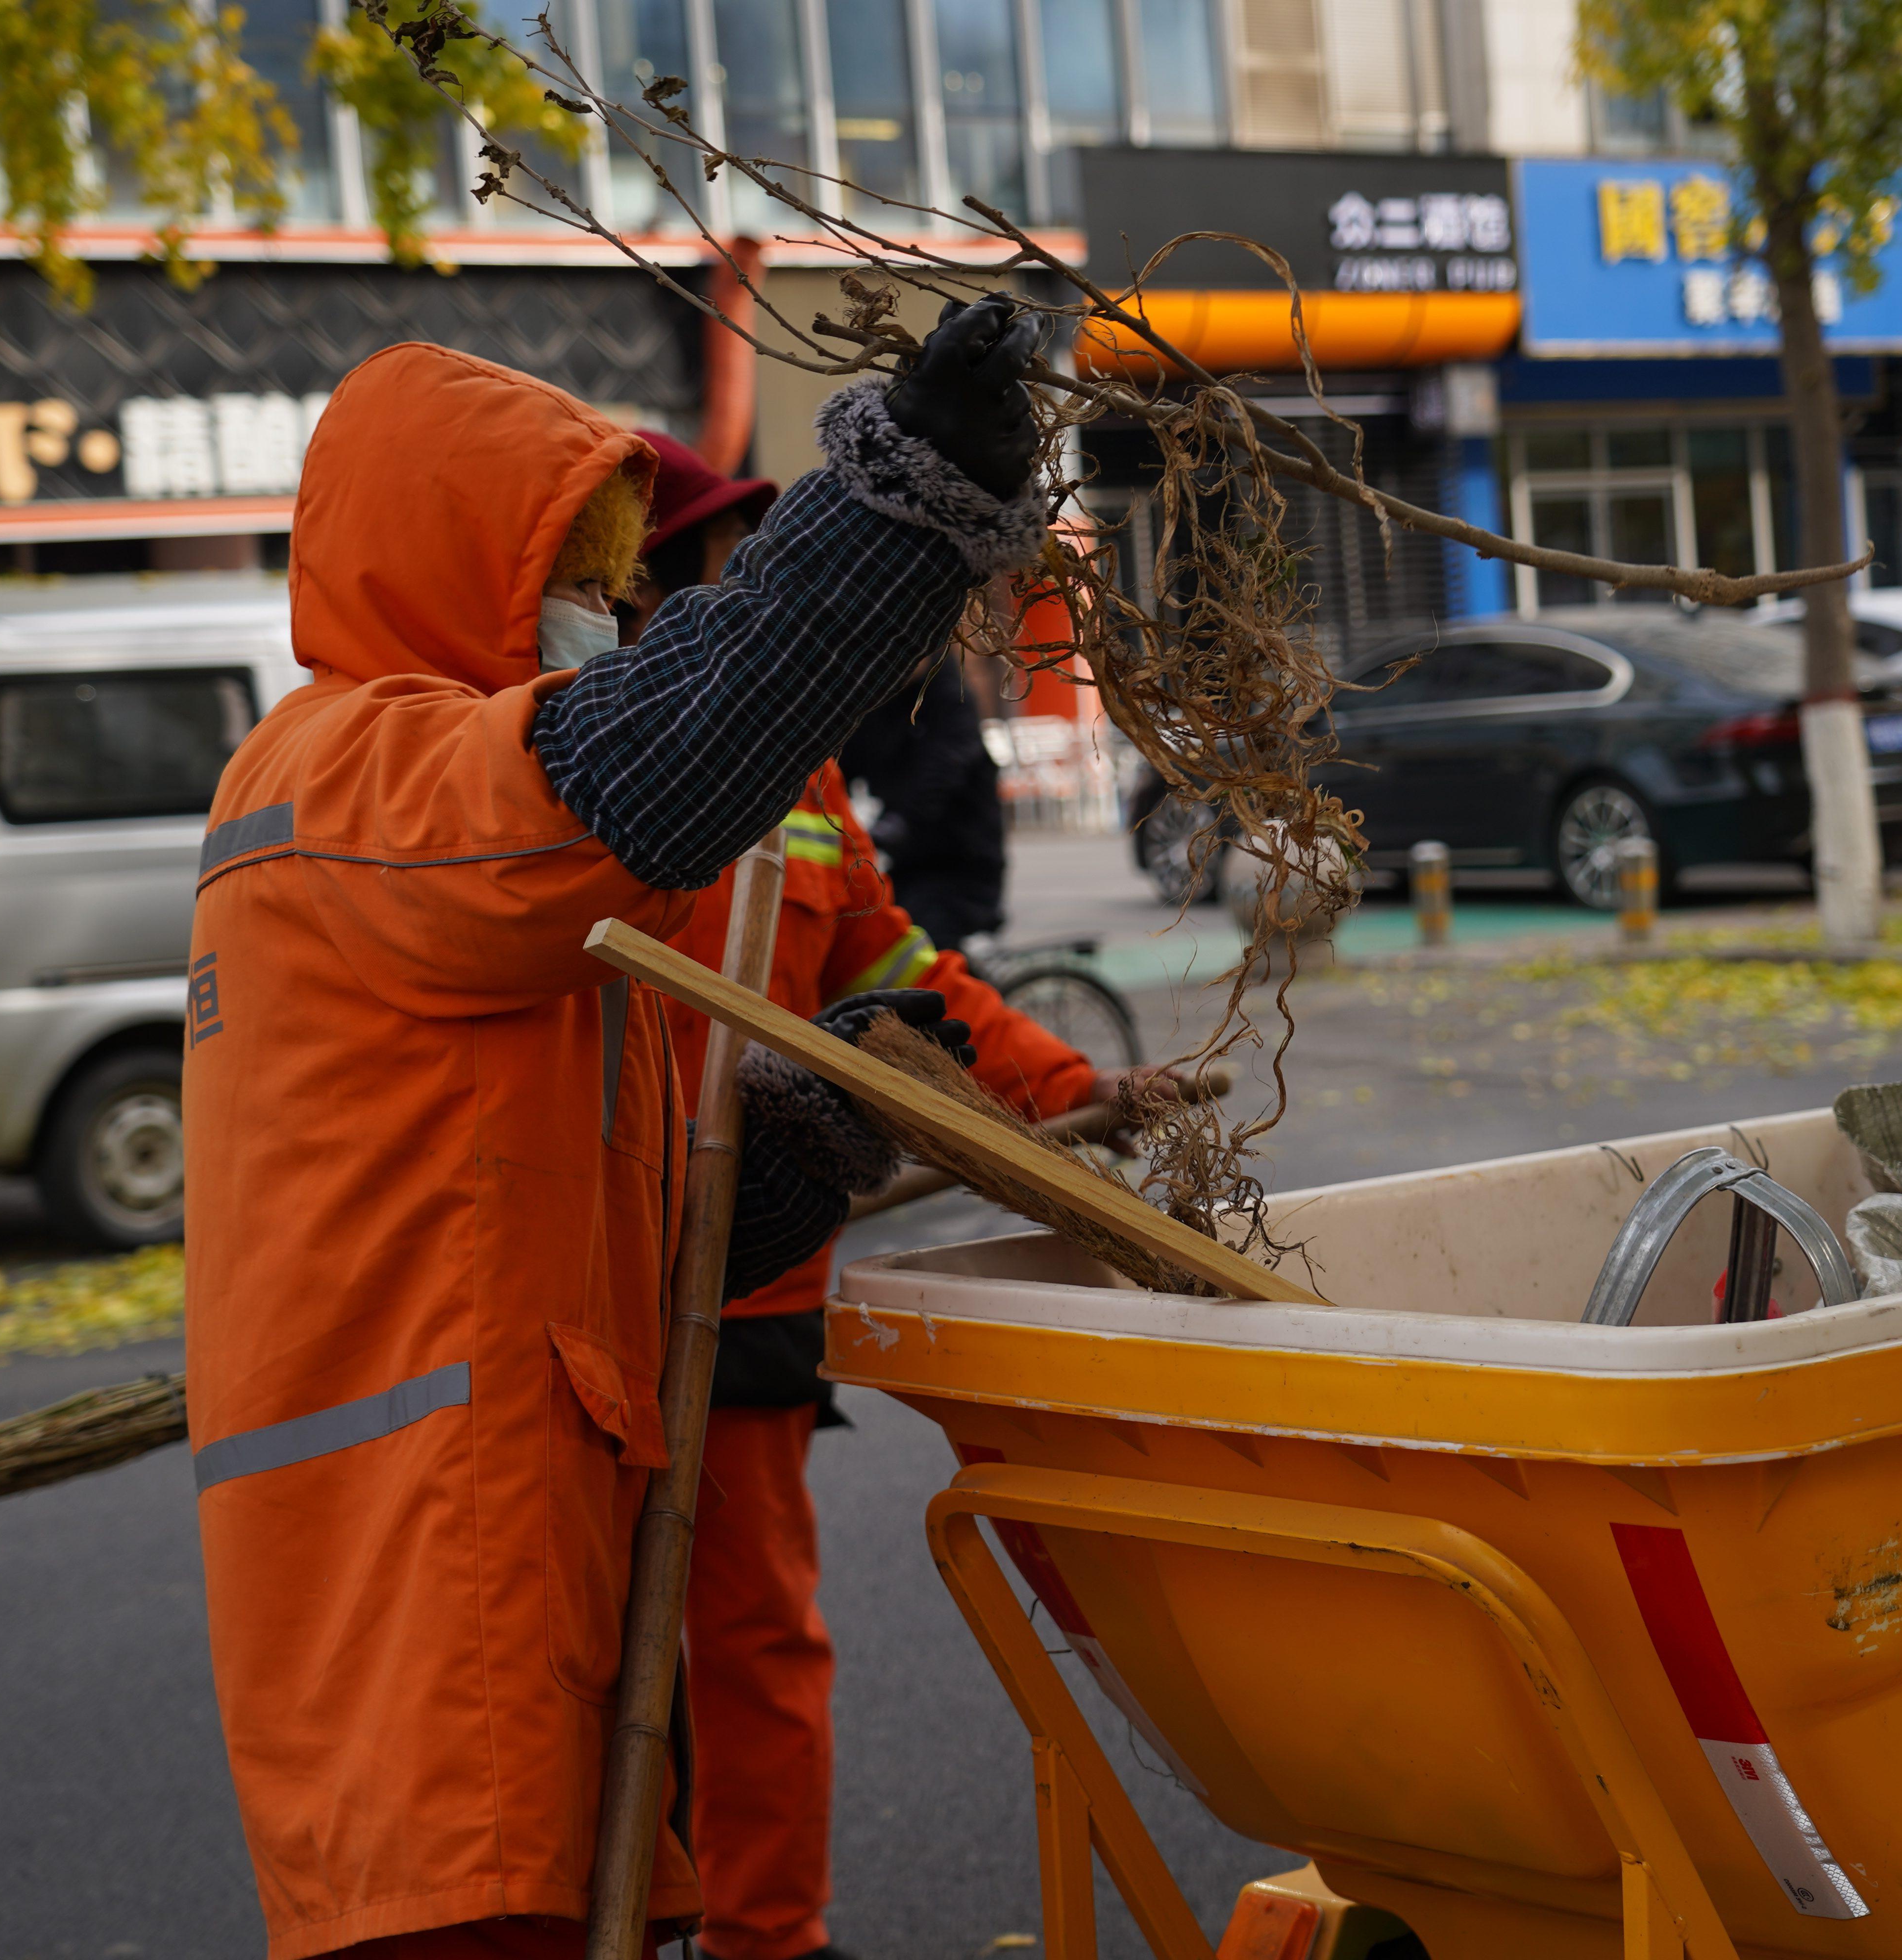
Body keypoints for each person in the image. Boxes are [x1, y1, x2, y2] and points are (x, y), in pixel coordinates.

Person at [182, 299, 1048, 1960]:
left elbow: (567, 1218)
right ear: (457, 563)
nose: (613, 616)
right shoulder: (357, 770)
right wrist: (894, 505)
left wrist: (799, 1143)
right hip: (429, 1606)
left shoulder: (425, 822)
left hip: (511, 1589)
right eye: (577, 579)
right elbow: (650, 767)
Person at [623, 436, 1165, 1960]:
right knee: (577, 1660)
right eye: (718, 571)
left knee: (750, 1640)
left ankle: (765, 1941)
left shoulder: (798, 776)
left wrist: (1069, 1090)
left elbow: (893, 975)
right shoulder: (561, 759)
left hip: (750, 1289)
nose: (744, 596)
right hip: (580, 1296)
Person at [837, 651, 1007, 956]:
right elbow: (847, 764)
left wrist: (900, 823)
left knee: (922, 948)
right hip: (906, 862)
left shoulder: (953, 702)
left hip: (961, 863)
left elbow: (945, 768)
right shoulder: (878, 706)